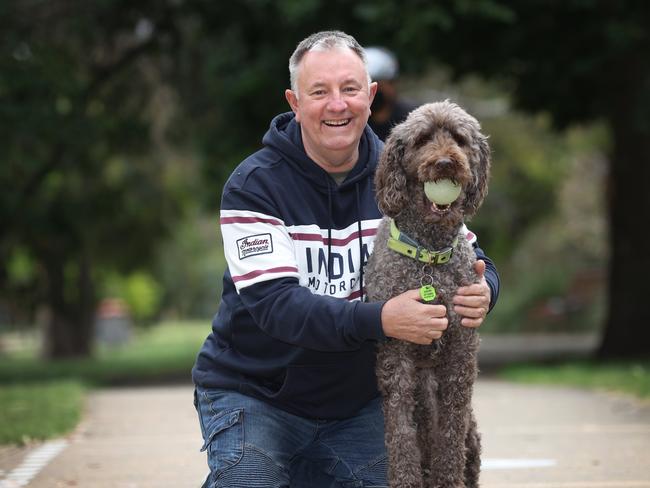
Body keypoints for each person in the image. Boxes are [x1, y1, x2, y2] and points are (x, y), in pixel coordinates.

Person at [192, 30, 500, 488]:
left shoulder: (402, 168)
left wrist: (486, 287)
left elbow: (464, 249)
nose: (337, 105)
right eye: (319, 92)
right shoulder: (253, 185)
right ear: (295, 102)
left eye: (350, 89)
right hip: (257, 395)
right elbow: (277, 306)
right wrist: (381, 319)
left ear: (370, 96)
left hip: (357, 406)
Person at [364, 46, 418, 142]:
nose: (372, 91)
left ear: (392, 84)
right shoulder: (355, 122)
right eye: (366, 85)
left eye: (377, 84)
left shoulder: (414, 118)